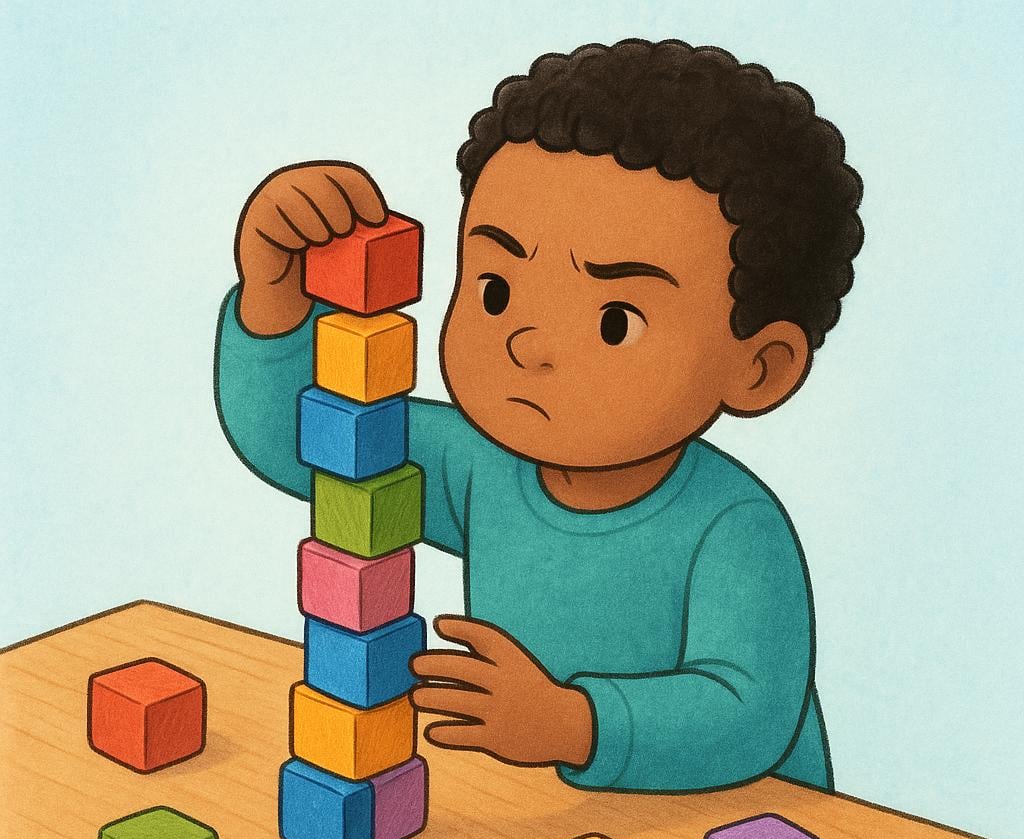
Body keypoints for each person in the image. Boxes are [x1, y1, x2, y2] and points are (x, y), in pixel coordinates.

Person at [215, 39, 863, 793]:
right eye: (495, 289)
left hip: (741, 835)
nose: (525, 342)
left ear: (759, 367)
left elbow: (749, 717)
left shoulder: (735, 529)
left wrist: (571, 724)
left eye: (615, 319)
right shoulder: (476, 467)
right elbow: (306, 447)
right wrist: (272, 295)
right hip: (545, 824)